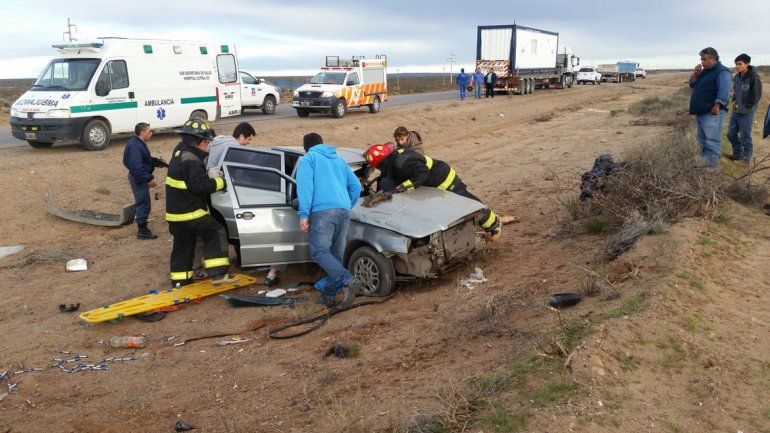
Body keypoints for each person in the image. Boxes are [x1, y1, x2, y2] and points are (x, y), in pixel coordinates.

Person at [364, 143, 502, 241]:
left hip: (444, 180)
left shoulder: (402, 162)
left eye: (378, 168)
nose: (379, 171)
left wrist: (403, 187)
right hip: (431, 187)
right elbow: (387, 178)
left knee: (467, 204)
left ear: (382, 164)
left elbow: (422, 172)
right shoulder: (393, 159)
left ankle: (494, 224)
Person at [296, 133, 362, 308]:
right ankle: (328, 294)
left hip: (322, 212)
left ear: (305, 148)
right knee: (335, 256)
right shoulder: (339, 160)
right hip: (343, 211)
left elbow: (305, 188)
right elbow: (356, 187)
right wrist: (347, 204)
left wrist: (304, 214)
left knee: (319, 252)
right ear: (321, 144)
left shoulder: (308, 159)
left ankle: (347, 280)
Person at [165, 118, 232, 287]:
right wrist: (220, 182)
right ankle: (218, 275)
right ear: (201, 141)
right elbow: (199, 186)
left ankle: (180, 281)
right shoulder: (192, 160)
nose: (208, 146)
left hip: (174, 215)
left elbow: (188, 179)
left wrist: (206, 173)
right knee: (216, 232)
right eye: (207, 142)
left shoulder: (180, 151)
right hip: (190, 212)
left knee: (183, 246)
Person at [122, 122, 167, 239]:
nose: (151, 133)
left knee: (143, 201)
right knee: (143, 202)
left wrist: (154, 162)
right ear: (143, 132)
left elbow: (141, 160)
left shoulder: (137, 143)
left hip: (139, 176)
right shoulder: (135, 146)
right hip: (139, 178)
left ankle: (142, 226)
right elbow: (136, 166)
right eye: (149, 131)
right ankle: (142, 231)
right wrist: (148, 179)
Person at [688, 47, 732, 167]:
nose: (702, 62)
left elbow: (724, 90)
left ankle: (712, 169)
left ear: (713, 59)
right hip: (702, 112)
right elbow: (692, 84)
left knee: (712, 141)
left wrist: (717, 105)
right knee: (703, 141)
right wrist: (695, 73)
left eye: (705, 59)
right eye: (701, 59)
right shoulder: (705, 71)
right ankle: (705, 166)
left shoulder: (722, 71)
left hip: (712, 113)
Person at [726, 54, 763, 165]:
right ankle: (737, 155)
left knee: (745, 136)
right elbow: (737, 92)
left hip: (747, 113)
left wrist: (747, 106)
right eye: (736, 64)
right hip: (736, 111)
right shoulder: (737, 77)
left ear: (747, 64)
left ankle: (745, 161)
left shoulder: (753, 76)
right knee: (731, 134)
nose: (737, 66)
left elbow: (757, 95)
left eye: (740, 64)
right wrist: (734, 102)